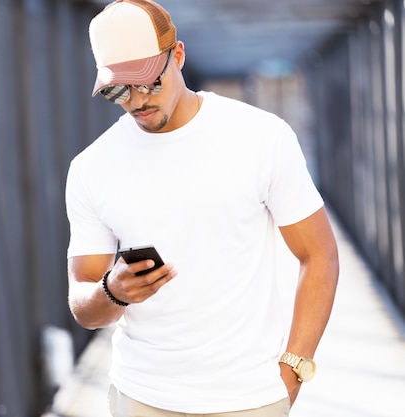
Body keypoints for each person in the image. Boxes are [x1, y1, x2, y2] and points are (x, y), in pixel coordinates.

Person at [64, 0, 339, 416]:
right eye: (117, 90)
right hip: (140, 397)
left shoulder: (261, 137)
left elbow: (319, 255)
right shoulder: (91, 168)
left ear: (177, 55)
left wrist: (293, 369)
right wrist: (112, 291)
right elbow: (83, 302)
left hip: (250, 398)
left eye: (148, 82)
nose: (137, 100)